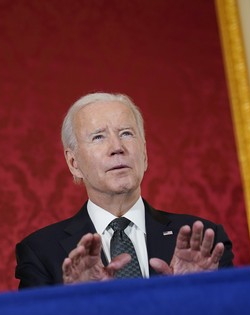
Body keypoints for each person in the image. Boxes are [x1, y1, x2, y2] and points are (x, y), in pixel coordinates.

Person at [15, 92, 233, 288]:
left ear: (145, 155)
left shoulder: (204, 242)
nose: (117, 147)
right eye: (98, 137)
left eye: (126, 133)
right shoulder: (40, 252)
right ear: (74, 163)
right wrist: (77, 301)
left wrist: (198, 293)